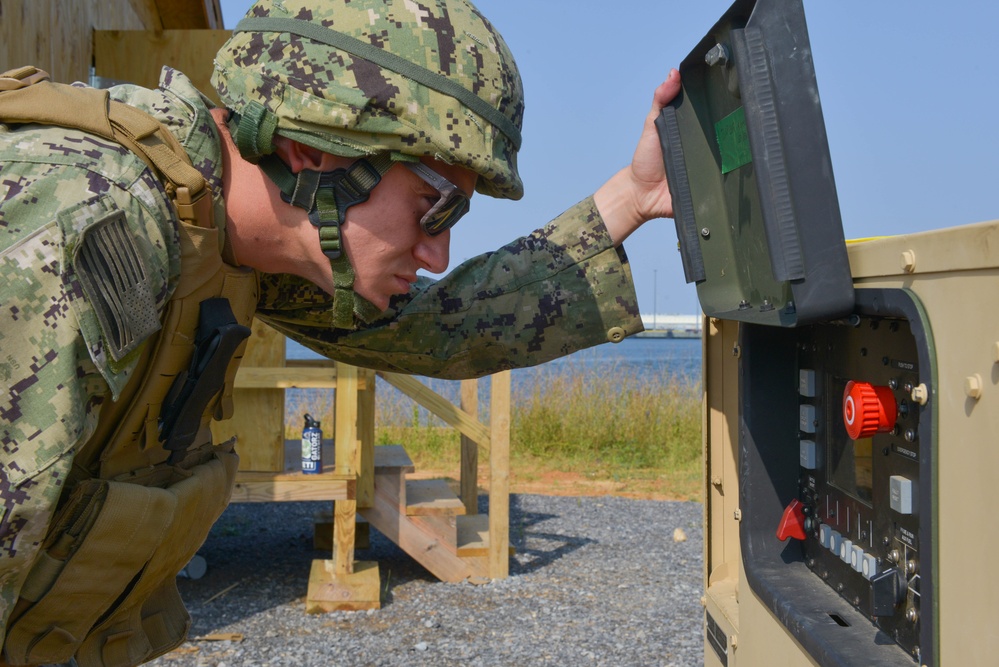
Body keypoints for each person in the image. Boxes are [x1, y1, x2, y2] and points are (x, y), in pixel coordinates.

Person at [0, 0, 679, 664]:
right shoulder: (85, 218)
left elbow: (434, 328)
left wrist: (633, 197)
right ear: (310, 149)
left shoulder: (210, 231)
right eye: (434, 206)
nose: (436, 252)